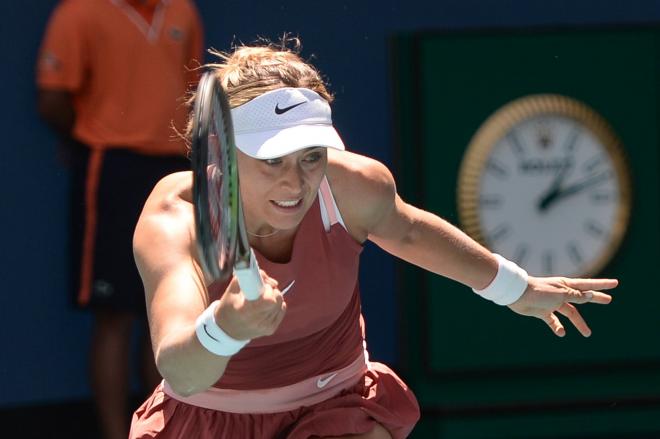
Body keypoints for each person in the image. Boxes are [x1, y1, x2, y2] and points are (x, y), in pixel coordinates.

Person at [129, 40, 617, 439]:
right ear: (222, 150)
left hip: (338, 410)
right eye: (273, 161)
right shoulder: (178, 220)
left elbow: (407, 230)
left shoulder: (352, 186)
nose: (295, 184)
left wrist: (517, 288)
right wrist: (226, 327)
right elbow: (182, 371)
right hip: (209, 422)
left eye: (310, 157)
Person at [35, 1, 203, 438]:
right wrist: (92, 134)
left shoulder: (182, 11)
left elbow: (193, 90)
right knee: (114, 314)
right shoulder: (80, 12)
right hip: (110, 168)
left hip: (174, 167)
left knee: (170, 305)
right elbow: (53, 97)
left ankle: (167, 430)